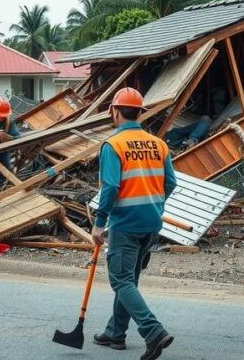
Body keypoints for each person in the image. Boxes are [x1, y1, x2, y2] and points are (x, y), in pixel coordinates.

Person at [91, 87, 177, 360]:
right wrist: (154, 204)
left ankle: (153, 332)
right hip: (152, 223)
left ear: (114, 111)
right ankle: (115, 333)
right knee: (129, 280)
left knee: (121, 281)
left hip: (125, 224)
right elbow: (171, 183)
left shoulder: (113, 145)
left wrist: (98, 223)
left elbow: (111, 187)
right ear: (140, 113)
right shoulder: (159, 144)